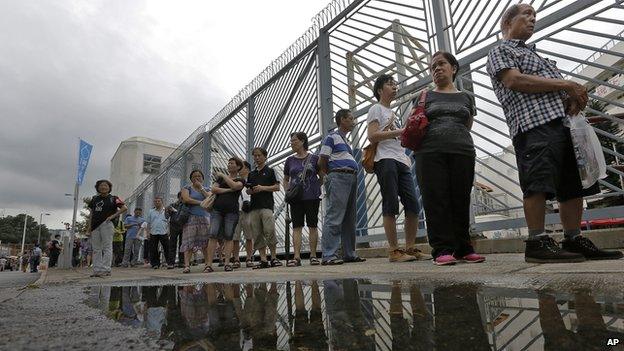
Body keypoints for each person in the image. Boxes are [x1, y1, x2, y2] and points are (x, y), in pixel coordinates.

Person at [486, 4, 623, 263]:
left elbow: (554, 90)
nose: (532, 20)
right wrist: (566, 84)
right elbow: (515, 81)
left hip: (562, 125)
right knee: (537, 181)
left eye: (534, 17)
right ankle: (536, 241)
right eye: (525, 15)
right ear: (507, 23)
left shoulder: (538, 56)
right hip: (532, 125)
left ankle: (573, 237)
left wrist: (571, 100)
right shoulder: (501, 50)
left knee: (571, 184)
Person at [413, 51, 485, 266]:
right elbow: (414, 122)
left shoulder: (466, 97)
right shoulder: (425, 96)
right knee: (436, 200)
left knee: (460, 199)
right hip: (429, 152)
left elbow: (467, 124)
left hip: (462, 151)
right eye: (432, 66)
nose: (436, 68)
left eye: (441, 64)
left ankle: (464, 247)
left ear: (453, 68)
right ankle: (442, 249)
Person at [367, 74, 428, 263]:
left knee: (413, 205)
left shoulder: (393, 112)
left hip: (401, 160)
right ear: (379, 90)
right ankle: (394, 250)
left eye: (395, 84)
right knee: (390, 204)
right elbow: (372, 136)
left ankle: (410, 248)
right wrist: (402, 131)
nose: (394, 86)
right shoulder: (376, 108)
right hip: (385, 159)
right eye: (389, 84)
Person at [318, 109, 366, 265]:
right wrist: (326, 176)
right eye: (350, 119)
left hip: (350, 177)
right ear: (342, 120)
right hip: (338, 176)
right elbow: (322, 159)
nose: (353, 121)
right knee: (335, 215)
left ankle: (349, 253)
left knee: (349, 218)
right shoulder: (332, 137)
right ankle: (329, 255)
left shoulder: (346, 142)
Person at [283, 132, 322, 267]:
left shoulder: (314, 158)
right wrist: (288, 191)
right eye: (291, 141)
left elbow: (321, 176)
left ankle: (313, 255)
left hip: (312, 196)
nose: (292, 143)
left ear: (302, 141)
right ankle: (297, 256)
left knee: (312, 225)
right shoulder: (289, 160)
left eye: (294, 140)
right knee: (297, 226)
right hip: (296, 198)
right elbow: (286, 179)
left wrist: (316, 187)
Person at [207, 157, 245, 272]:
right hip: (217, 210)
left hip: (232, 211)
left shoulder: (241, 179)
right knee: (213, 235)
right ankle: (208, 264)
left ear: (238, 166)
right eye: (228, 163)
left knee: (229, 236)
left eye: (232, 163)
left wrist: (223, 176)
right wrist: (228, 190)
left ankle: (227, 263)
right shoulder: (219, 179)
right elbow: (214, 189)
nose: (229, 165)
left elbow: (236, 186)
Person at [247, 147, 282, 269]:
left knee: (269, 230)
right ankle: (263, 259)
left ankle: (273, 257)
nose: (257, 158)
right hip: (254, 206)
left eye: (259, 155)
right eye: (255, 156)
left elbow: (277, 187)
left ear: (265, 156)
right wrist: (250, 191)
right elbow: (248, 191)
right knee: (257, 233)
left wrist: (262, 188)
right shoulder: (251, 174)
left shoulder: (271, 171)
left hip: (267, 205)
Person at [86, 179, 128, 277]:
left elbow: (124, 208)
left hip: (107, 224)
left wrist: (113, 216)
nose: (103, 187)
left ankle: (106, 269)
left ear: (109, 188)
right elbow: (91, 214)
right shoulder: (94, 199)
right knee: (96, 249)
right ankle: (96, 270)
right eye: (101, 185)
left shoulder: (113, 198)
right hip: (95, 226)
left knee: (107, 247)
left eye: (105, 185)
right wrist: (89, 228)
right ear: (98, 187)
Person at [180, 169, 213, 274]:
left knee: (206, 243)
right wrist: (201, 203)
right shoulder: (187, 188)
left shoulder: (207, 188)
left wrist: (201, 188)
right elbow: (186, 199)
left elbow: (210, 198)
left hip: (205, 218)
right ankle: (186, 266)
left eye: (199, 176)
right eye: (194, 176)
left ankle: (207, 264)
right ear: (191, 178)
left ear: (203, 178)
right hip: (191, 218)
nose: (197, 178)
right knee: (189, 242)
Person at [233, 161, 254, 268]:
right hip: (236, 211)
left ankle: (249, 258)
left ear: (247, 169)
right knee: (235, 237)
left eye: (241, 167)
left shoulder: (252, 180)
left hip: (248, 211)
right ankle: (236, 259)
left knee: (249, 236)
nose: (239, 169)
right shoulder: (235, 181)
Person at [146, 196, 170, 269]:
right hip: (153, 232)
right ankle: (155, 264)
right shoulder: (151, 211)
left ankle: (169, 263)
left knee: (167, 248)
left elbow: (169, 222)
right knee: (153, 249)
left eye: (158, 201)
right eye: (155, 201)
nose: (157, 202)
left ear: (162, 202)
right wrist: (147, 232)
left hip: (164, 232)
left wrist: (169, 230)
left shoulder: (166, 211)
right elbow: (148, 223)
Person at [166, 192, 185, 268]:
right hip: (174, 226)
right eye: (181, 197)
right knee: (172, 244)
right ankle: (171, 263)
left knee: (182, 244)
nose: (182, 198)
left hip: (183, 226)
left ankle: (182, 262)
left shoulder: (186, 205)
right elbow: (166, 216)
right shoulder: (172, 205)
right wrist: (168, 210)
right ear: (178, 197)